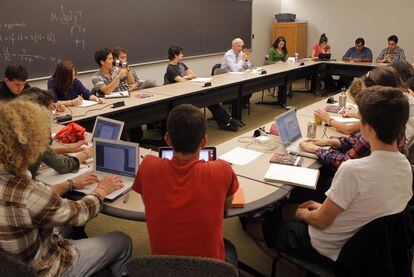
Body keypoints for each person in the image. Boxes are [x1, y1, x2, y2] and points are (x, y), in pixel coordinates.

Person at [247, 86, 412, 264]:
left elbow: (320, 221)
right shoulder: (405, 166)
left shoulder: (353, 170)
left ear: (368, 128)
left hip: (332, 249)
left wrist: (301, 215)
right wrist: (321, 208)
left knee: (253, 225)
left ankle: (301, 270)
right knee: (289, 209)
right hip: (370, 246)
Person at [0, 99, 132, 277]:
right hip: (44, 268)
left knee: (64, 229)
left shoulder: (15, 184)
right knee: (122, 240)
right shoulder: (27, 193)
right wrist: (102, 189)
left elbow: (33, 204)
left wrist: (70, 184)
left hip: (13, 261)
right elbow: (79, 213)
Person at [133, 104, 239, 265]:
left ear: (167, 139)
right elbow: (226, 206)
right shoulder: (222, 169)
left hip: (162, 268)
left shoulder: (148, 166)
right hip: (211, 269)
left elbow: (147, 201)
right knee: (230, 248)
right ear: (203, 141)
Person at [302, 66, 407, 171]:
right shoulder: (396, 117)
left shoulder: (376, 125)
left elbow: (345, 162)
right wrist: (331, 142)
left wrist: (317, 150)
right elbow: (358, 141)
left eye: (365, 94)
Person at [18, 88, 93, 178]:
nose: (52, 114)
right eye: (50, 110)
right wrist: (87, 154)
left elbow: (43, 153)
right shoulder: (33, 135)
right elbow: (64, 166)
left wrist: (69, 149)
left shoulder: (15, 126)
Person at [164, 45, 241, 131]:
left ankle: (226, 120)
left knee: (211, 100)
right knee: (208, 100)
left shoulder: (181, 64)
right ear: (175, 55)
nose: (183, 55)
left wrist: (187, 77)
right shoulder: (170, 69)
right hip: (181, 97)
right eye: (181, 54)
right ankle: (226, 121)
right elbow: (182, 81)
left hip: (190, 90)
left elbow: (194, 74)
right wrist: (188, 77)